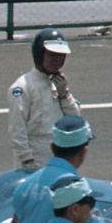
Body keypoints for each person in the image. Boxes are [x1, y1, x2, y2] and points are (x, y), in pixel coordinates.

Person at [8, 28, 81, 171]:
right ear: (39, 54)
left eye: (61, 56)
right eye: (52, 55)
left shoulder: (60, 83)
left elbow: (76, 119)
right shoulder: (22, 87)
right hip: (34, 156)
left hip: (60, 155)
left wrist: (64, 95)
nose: (57, 60)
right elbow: (17, 129)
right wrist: (27, 160)